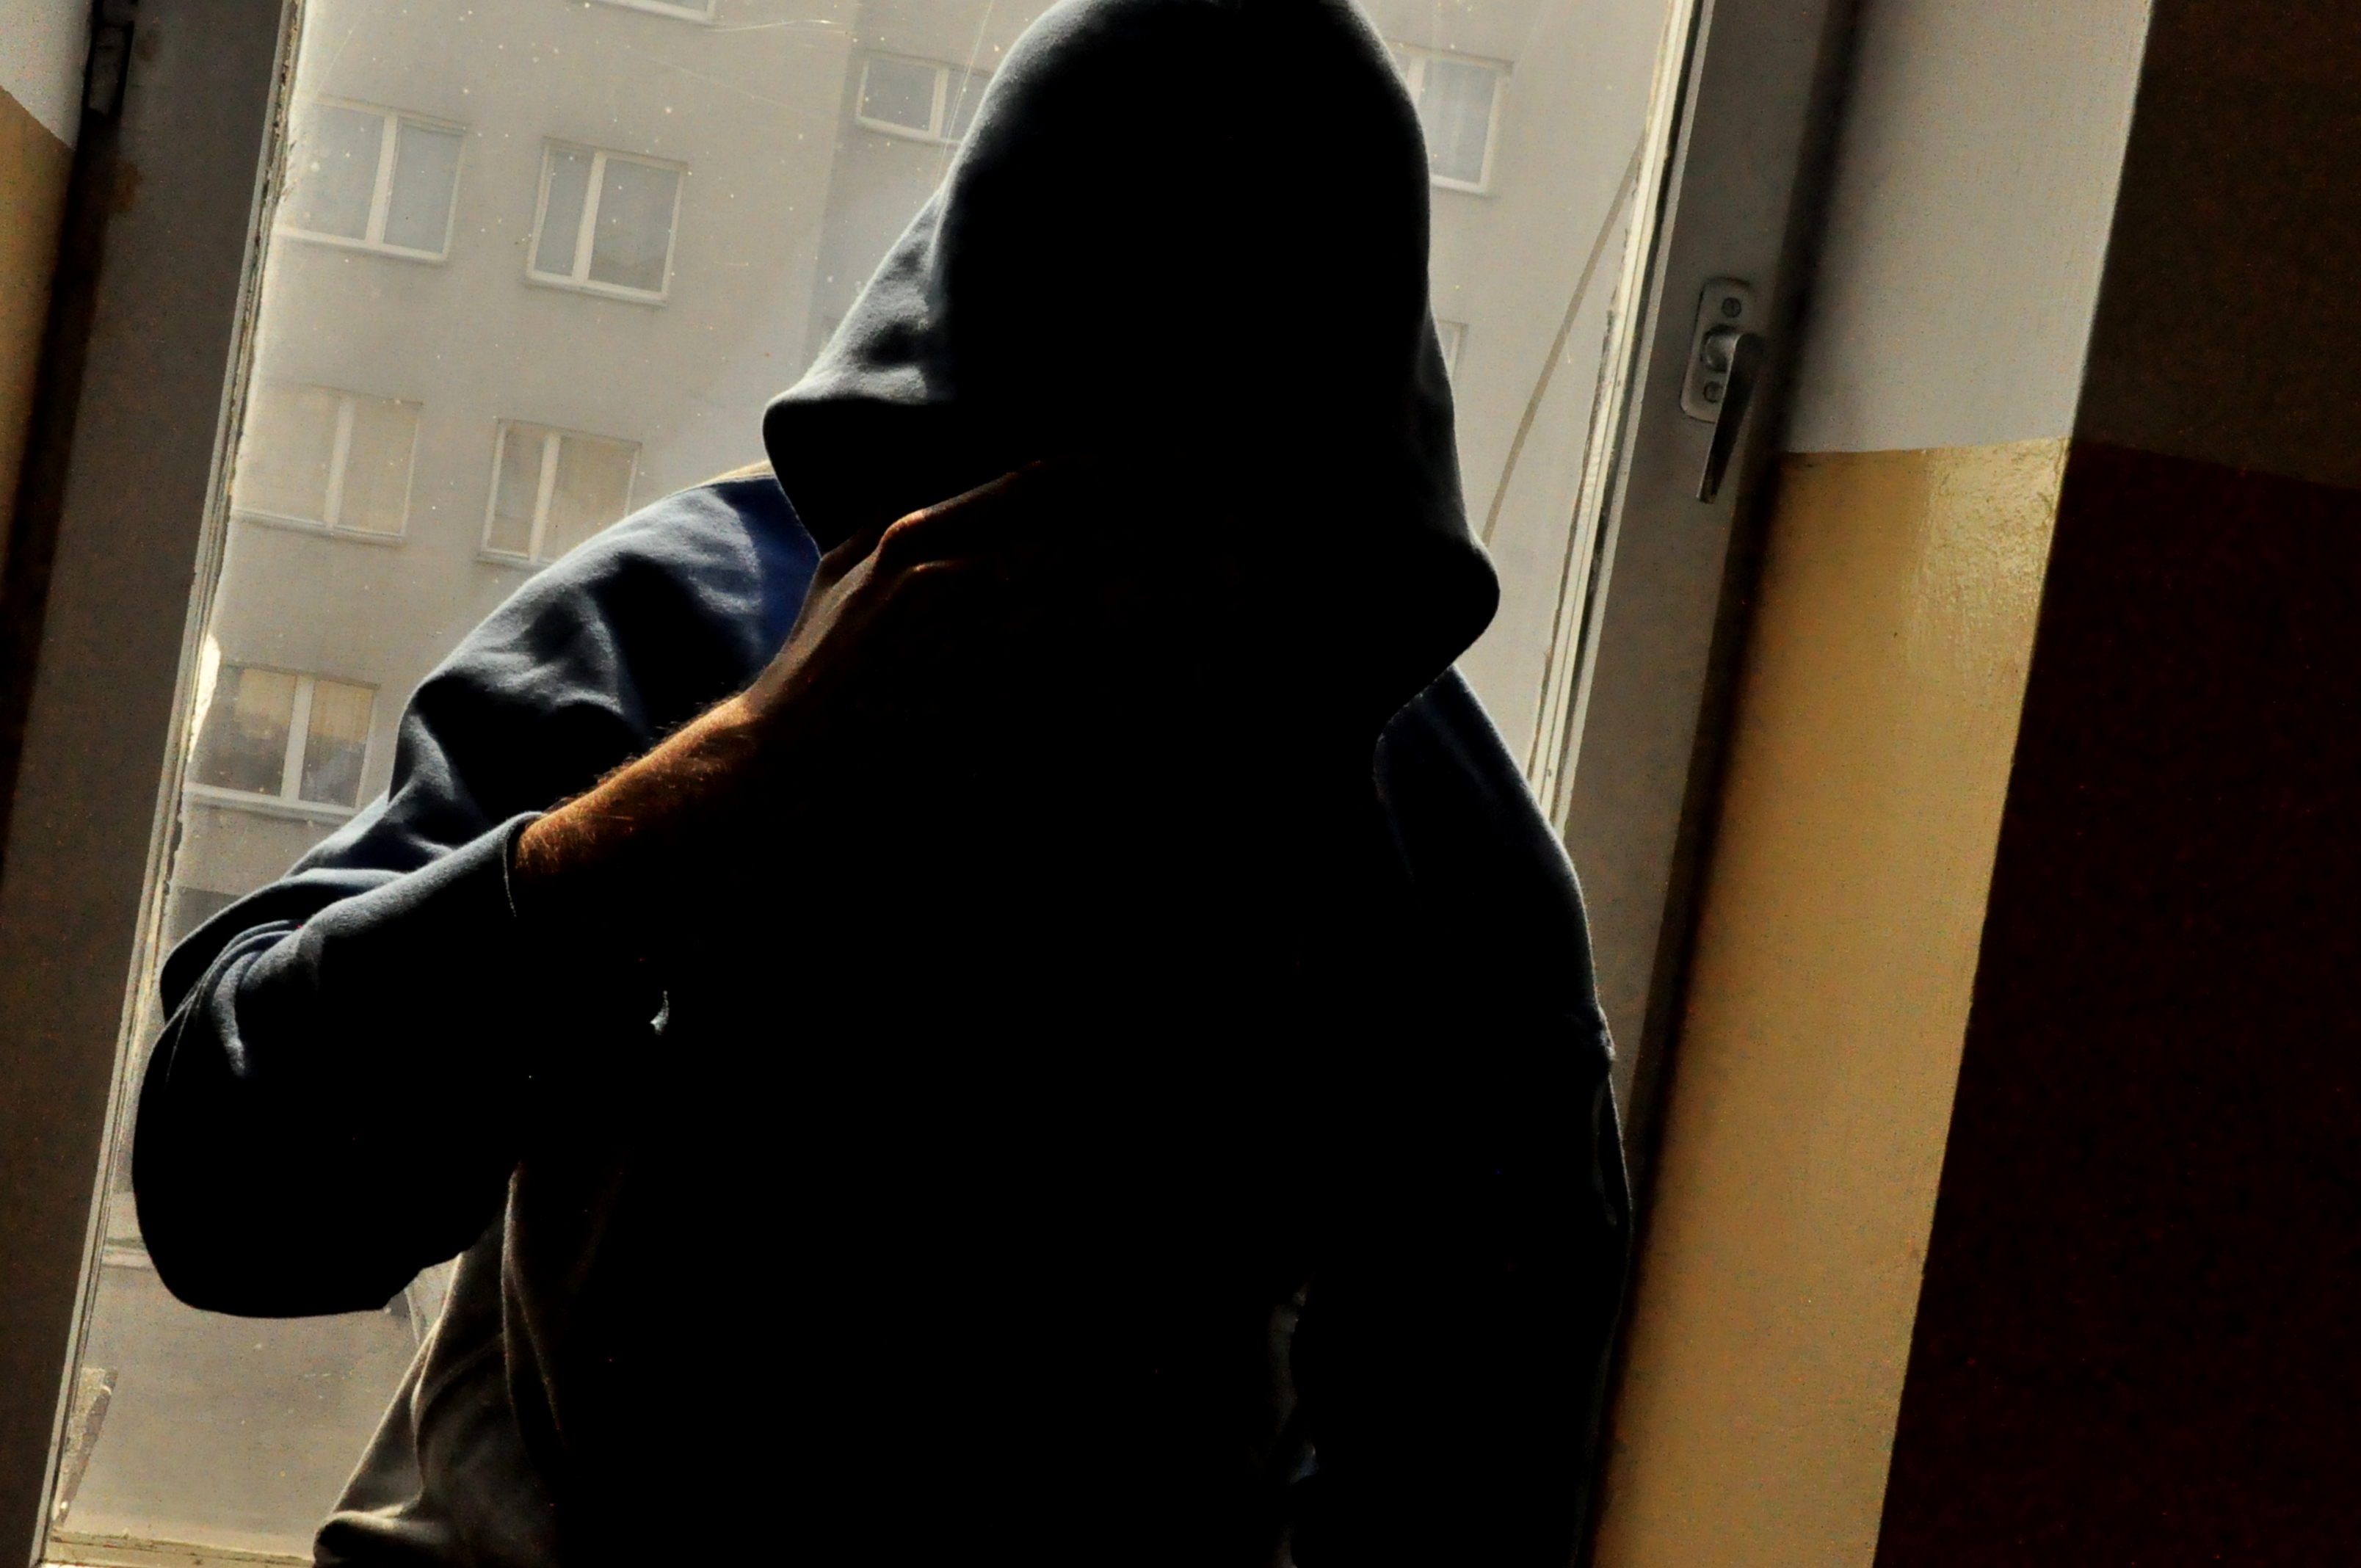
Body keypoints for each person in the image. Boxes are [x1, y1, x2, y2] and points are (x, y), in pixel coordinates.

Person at [133, 1, 1631, 1564]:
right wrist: (732, 785)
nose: (1113, 626)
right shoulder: (670, 640)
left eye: (1213, 540)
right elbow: (226, 1195)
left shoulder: (1442, 861)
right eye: (1053, 511)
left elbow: (1474, 1467)